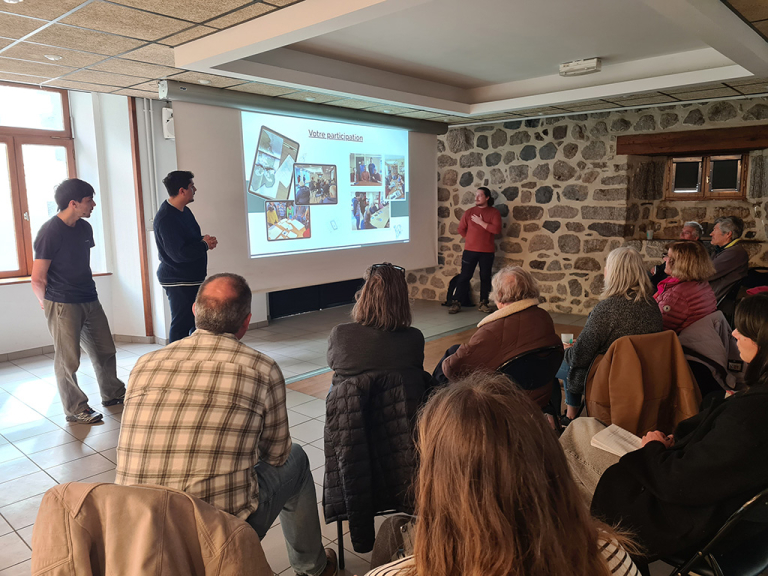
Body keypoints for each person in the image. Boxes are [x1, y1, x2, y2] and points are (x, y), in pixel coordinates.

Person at [116, 273, 337, 576]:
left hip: (137, 533)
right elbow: (276, 456)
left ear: (195, 311)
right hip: (217, 537)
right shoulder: (262, 368)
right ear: (246, 323)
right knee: (296, 460)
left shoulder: (145, 363)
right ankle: (313, 568)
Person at [366, 373, 640, 576]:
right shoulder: (610, 557)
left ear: (437, 482)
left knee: (392, 529)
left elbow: (451, 365)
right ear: (548, 462)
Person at [562, 294, 768, 561]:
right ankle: (579, 533)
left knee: (574, 439)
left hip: (678, 518)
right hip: (710, 505)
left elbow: (679, 482)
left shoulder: (750, 417)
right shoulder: (753, 405)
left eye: (745, 330)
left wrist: (654, 448)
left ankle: (581, 543)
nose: (736, 333)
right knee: (582, 430)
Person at [30, 178, 125, 424]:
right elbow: (38, 278)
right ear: (73, 203)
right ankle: (75, 409)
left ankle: (113, 394)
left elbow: (79, 263)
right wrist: (47, 304)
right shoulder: (49, 232)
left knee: (105, 349)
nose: (93, 204)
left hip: (89, 298)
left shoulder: (84, 228)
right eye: (88, 200)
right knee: (68, 359)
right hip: (62, 302)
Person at [559, 247, 663, 421]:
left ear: (613, 273)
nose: (604, 270)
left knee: (556, 361)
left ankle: (567, 417)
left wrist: (567, 349)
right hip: (642, 373)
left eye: (607, 266)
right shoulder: (651, 304)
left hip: (608, 375)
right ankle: (571, 415)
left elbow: (579, 358)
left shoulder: (607, 309)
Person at [435, 267, 561, 382]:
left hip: (500, 397)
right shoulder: (543, 317)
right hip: (538, 392)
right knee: (454, 349)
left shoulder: (492, 330)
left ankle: (428, 403)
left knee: (446, 366)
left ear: (499, 295)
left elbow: (453, 369)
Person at [327, 263, 424, 387]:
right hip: (401, 404)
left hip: (353, 404)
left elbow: (334, 364)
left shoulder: (340, 334)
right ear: (402, 299)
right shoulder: (415, 338)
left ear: (365, 295)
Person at [154, 170, 217, 343]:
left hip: (191, 277)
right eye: (191, 186)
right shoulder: (167, 218)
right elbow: (178, 254)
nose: (194, 189)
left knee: (194, 323)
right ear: (182, 190)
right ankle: (175, 361)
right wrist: (204, 245)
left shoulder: (184, 211)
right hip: (179, 279)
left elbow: (190, 240)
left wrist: (204, 241)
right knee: (182, 324)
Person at [449, 187, 502, 314]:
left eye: (480, 195)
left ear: (487, 198)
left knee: (485, 277)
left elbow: (496, 230)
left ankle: (484, 302)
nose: (476, 198)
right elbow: (461, 229)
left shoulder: (494, 213)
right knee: (465, 276)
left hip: (487, 251)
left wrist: (481, 222)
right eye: (476, 195)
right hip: (470, 250)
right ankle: (456, 302)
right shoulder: (469, 212)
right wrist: (471, 239)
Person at [654, 240, 717, 333]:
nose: (664, 259)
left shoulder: (676, 295)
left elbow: (656, 328)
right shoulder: (701, 284)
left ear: (679, 264)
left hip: (677, 344)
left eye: (667, 256)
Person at [650, 221, 705, 289]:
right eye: (682, 232)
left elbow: (681, 274)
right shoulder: (682, 247)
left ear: (696, 237)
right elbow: (666, 264)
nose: (681, 235)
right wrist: (657, 268)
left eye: (686, 233)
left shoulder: (695, 252)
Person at [709, 216, 749, 301]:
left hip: (713, 299)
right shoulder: (721, 249)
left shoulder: (734, 253)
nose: (711, 234)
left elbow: (706, 273)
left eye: (715, 230)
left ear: (728, 234)